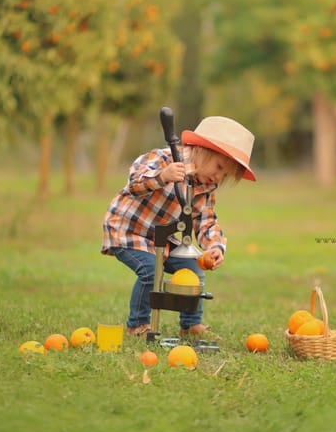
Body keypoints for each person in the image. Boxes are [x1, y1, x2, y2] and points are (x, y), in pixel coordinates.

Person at [101, 115, 256, 337]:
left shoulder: (205, 185)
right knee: (150, 270)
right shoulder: (165, 159)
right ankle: (137, 324)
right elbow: (135, 183)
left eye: (225, 175)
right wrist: (162, 176)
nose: (217, 177)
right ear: (202, 150)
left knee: (193, 269)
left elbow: (206, 220)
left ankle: (190, 325)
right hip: (130, 231)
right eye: (219, 166)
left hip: (164, 241)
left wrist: (214, 247)